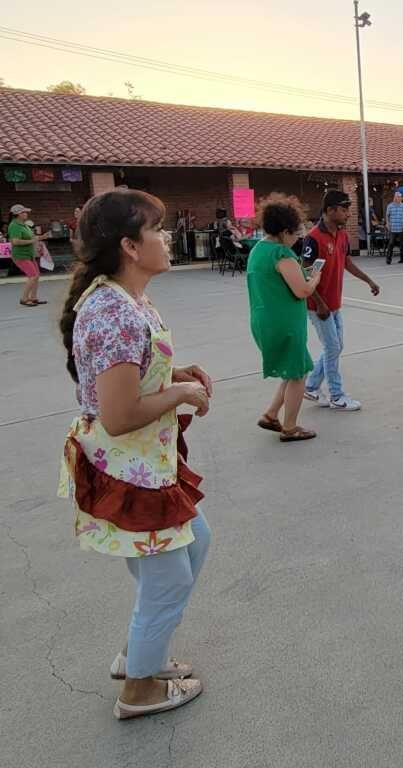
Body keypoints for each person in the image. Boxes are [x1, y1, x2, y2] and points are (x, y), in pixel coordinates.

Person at [57, 189, 213, 720]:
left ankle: (139, 656)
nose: (167, 238)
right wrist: (180, 394)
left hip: (142, 464)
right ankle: (140, 689)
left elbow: (130, 375)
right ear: (129, 245)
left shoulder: (127, 299)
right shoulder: (113, 310)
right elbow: (120, 414)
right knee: (169, 576)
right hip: (129, 470)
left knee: (191, 548)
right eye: (157, 229)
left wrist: (175, 373)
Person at [247, 195, 323, 442]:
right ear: (283, 231)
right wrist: (314, 279)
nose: (298, 237)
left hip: (264, 318)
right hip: (285, 322)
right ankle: (290, 427)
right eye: (294, 233)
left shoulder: (259, 249)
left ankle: (270, 415)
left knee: (291, 372)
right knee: (299, 374)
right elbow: (302, 290)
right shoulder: (282, 254)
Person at [301, 189, 381, 411]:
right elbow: (307, 272)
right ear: (329, 210)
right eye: (344, 209)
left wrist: (369, 281)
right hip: (318, 306)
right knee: (332, 346)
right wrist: (319, 303)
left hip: (334, 303)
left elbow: (347, 263)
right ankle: (337, 395)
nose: (348, 214)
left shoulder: (342, 235)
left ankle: (311, 386)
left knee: (336, 346)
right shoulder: (313, 238)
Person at [7, 204, 49, 306]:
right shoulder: (14, 226)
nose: (26, 213)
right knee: (33, 276)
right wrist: (32, 241)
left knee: (36, 275)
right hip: (21, 256)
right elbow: (15, 241)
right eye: (24, 212)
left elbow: (32, 237)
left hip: (29, 255)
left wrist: (40, 237)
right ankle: (24, 299)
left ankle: (33, 298)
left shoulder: (24, 224)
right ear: (17, 214)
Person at [385, 191, 403, 265]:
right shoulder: (390, 206)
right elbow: (387, 216)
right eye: (397, 197)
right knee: (391, 243)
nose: (399, 198)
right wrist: (387, 224)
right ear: (394, 198)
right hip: (393, 228)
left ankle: (402, 259)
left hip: (401, 227)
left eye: (400, 197)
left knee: (402, 244)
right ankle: (388, 259)